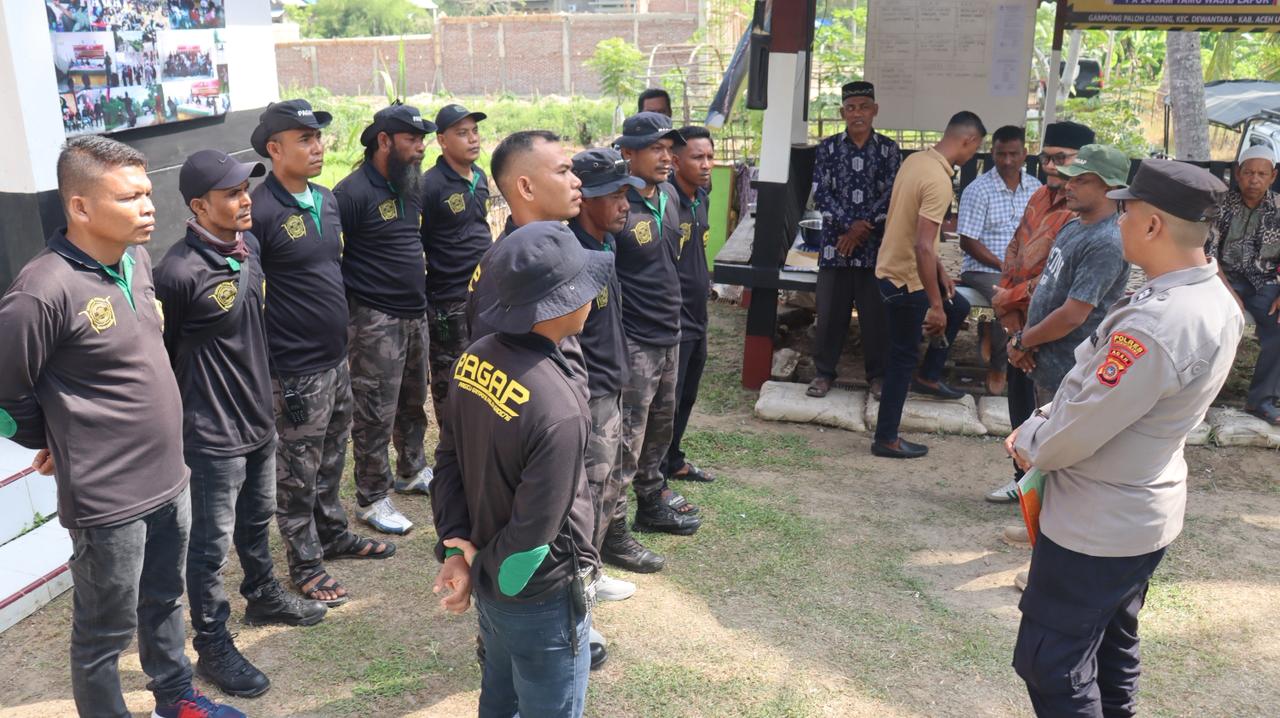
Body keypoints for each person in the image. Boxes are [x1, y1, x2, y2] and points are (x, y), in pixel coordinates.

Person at [0, 136, 244, 718]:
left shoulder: (136, 261)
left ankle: (175, 700)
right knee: (103, 635)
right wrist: (50, 437)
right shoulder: (41, 291)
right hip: (108, 499)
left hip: (170, 477)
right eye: (129, 197)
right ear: (81, 207)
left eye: (147, 193)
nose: (149, 207)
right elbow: (5, 395)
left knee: (164, 600)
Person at [1006, 160, 1240, 718]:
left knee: (1051, 661)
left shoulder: (1159, 324)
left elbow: (1072, 434)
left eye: (1127, 211)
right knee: (1109, 651)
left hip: (1097, 523)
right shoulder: (1207, 298)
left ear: (1153, 225)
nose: (1119, 220)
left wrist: (1030, 436)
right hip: (1136, 511)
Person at [154, 150, 328, 699]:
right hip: (210, 435)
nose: (245, 200)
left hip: (258, 420)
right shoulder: (178, 272)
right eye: (230, 194)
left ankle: (263, 596)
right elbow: (163, 354)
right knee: (209, 548)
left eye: (245, 190)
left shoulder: (247, 249)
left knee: (256, 521)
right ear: (199, 206)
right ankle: (212, 644)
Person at [431, 221, 612, 718]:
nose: (593, 295)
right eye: (584, 285)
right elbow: (533, 538)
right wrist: (485, 572)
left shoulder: (473, 358)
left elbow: (447, 462)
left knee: (499, 697)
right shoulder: (561, 411)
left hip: (492, 577)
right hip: (539, 595)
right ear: (559, 302)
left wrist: (458, 550)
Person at [464, 130, 611, 667]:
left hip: (561, 423)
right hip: (535, 444)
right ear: (525, 186)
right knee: (536, 526)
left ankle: (570, 600)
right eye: (564, 171)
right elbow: (500, 385)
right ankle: (514, 627)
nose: (577, 182)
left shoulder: (555, 249)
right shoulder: (507, 271)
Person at [250, 99, 395, 608]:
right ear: (274, 149)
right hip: (294, 368)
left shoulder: (326, 199)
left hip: (336, 357)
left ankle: (332, 533)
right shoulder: (259, 210)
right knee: (297, 471)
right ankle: (306, 565)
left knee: (333, 455)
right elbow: (249, 294)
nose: (317, 147)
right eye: (304, 139)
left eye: (317, 137)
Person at [335, 103, 435, 535]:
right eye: (412, 140)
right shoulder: (351, 193)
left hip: (415, 313)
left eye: (422, 140)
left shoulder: (409, 184)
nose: (420, 148)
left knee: (414, 399)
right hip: (374, 319)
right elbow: (331, 258)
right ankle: (373, 496)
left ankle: (411, 469)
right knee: (375, 410)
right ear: (384, 141)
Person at [987, 120, 1095, 501]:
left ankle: (1050, 498)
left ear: (1084, 162)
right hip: (1020, 324)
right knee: (1020, 409)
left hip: (1053, 333)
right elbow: (1014, 250)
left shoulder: (1082, 215)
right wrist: (1010, 318)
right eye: (1046, 157)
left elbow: (1053, 281)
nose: (1049, 165)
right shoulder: (1038, 197)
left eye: (1060, 158)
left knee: (1049, 418)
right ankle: (1023, 484)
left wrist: (1010, 302)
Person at [871, 111, 985, 459]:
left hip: (897, 268)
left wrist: (940, 273)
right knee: (903, 357)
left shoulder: (917, 161)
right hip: (905, 281)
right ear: (968, 140)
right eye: (976, 148)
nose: (973, 155)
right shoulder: (938, 181)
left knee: (958, 305)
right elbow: (922, 244)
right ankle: (886, 438)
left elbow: (916, 235)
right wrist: (934, 306)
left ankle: (929, 376)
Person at [568, 147, 657, 587]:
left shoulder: (605, 242)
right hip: (588, 391)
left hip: (612, 381)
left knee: (608, 485)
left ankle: (592, 567)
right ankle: (578, 579)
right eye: (615, 196)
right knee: (585, 491)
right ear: (584, 198)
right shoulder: (572, 254)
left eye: (627, 194)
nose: (626, 205)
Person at [614, 112, 703, 534]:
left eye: (669, 148)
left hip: (670, 333)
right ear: (627, 153)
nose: (667, 157)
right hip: (634, 339)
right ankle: (612, 526)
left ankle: (651, 502)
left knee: (660, 427)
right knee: (626, 436)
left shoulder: (669, 194)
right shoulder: (616, 204)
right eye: (656, 148)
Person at [1007, 144, 1131, 414]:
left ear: (1110, 187)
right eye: (1070, 178)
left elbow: (1073, 315)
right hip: (1038, 358)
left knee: (1048, 438)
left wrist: (1023, 342)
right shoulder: (1073, 225)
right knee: (1024, 434)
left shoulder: (1106, 243)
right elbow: (1046, 287)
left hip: (1066, 372)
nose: (1068, 186)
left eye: (1081, 180)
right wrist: (1024, 339)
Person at [806, 81, 899, 400]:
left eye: (863, 107)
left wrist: (861, 229)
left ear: (875, 110)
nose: (857, 113)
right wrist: (849, 226)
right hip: (836, 247)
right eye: (851, 108)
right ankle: (823, 373)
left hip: (875, 249)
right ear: (842, 112)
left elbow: (893, 194)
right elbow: (821, 193)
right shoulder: (828, 148)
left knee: (876, 317)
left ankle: (878, 377)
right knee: (830, 314)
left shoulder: (889, 149)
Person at [957, 125, 1041, 396]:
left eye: (1013, 154)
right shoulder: (978, 189)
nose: (1007, 161)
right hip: (982, 268)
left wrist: (1027, 267)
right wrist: (1004, 266)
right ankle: (999, 365)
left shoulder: (1036, 188)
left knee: (1042, 295)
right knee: (1007, 297)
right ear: (991, 153)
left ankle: (1015, 349)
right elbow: (967, 241)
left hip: (1024, 268)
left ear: (1024, 153)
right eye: (1001, 154)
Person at [421, 103, 492, 423]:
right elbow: (418, 241)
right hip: (449, 299)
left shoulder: (480, 176)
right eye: (462, 133)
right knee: (452, 378)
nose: (473, 139)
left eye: (475, 131)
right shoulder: (430, 185)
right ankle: (452, 442)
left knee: (485, 372)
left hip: (485, 294)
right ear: (442, 140)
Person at [1207, 144, 1280, 424]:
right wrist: (1229, 294)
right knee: (1211, 324)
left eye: (1262, 174)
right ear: (1238, 174)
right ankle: (1202, 394)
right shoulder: (1221, 205)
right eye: (1249, 173)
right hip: (1223, 279)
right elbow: (1208, 254)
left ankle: (1261, 401)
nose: (1254, 180)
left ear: (1273, 176)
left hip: (1265, 281)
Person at [664, 125, 717, 484]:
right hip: (674, 317)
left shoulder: (702, 198)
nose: (706, 164)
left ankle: (674, 460)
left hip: (698, 315)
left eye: (710, 156)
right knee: (667, 400)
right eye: (698, 157)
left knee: (687, 395)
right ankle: (654, 474)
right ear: (675, 160)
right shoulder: (666, 201)